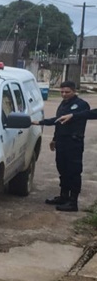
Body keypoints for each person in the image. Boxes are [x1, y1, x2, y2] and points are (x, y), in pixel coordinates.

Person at [32, 81, 90, 212]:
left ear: (74, 91)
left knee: (74, 172)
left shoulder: (81, 105)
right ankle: (64, 196)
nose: (64, 94)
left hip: (74, 143)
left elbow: (84, 116)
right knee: (62, 169)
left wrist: (40, 122)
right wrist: (54, 139)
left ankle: (73, 201)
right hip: (62, 142)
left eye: (67, 92)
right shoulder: (63, 104)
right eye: (62, 92)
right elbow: (58, 122)